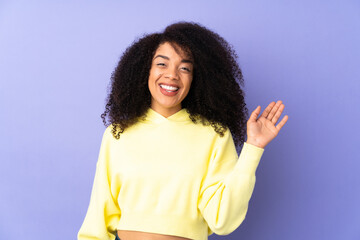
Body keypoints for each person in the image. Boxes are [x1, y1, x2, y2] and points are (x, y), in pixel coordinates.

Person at [77, 21, 288, 240]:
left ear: (196, 78)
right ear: (144, 70)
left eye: (184, 68)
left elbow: (223, 221)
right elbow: (97, 222)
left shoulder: (214, 135)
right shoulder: (118, 134)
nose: (172, 75)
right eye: (162, 64)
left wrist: (253, 148)